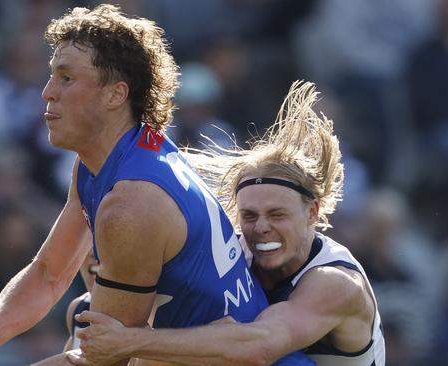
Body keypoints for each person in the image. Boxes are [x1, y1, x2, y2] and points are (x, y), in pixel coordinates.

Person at [0, 4, 311, 366]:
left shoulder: (132, 204)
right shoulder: (117, 154)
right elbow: (49, 274)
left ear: (116, 94)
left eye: (66, 78)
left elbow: (108, 361)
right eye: (52, 75)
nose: (47, 91)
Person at [69, 81, 386, 366]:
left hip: (260, 352)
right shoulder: (234, 253)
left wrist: (126, 342)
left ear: (312, 212)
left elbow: (258, 347)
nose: (261, 227)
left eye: (277, 215)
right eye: (249, 216)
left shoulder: (336, 283)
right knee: (82, 313)